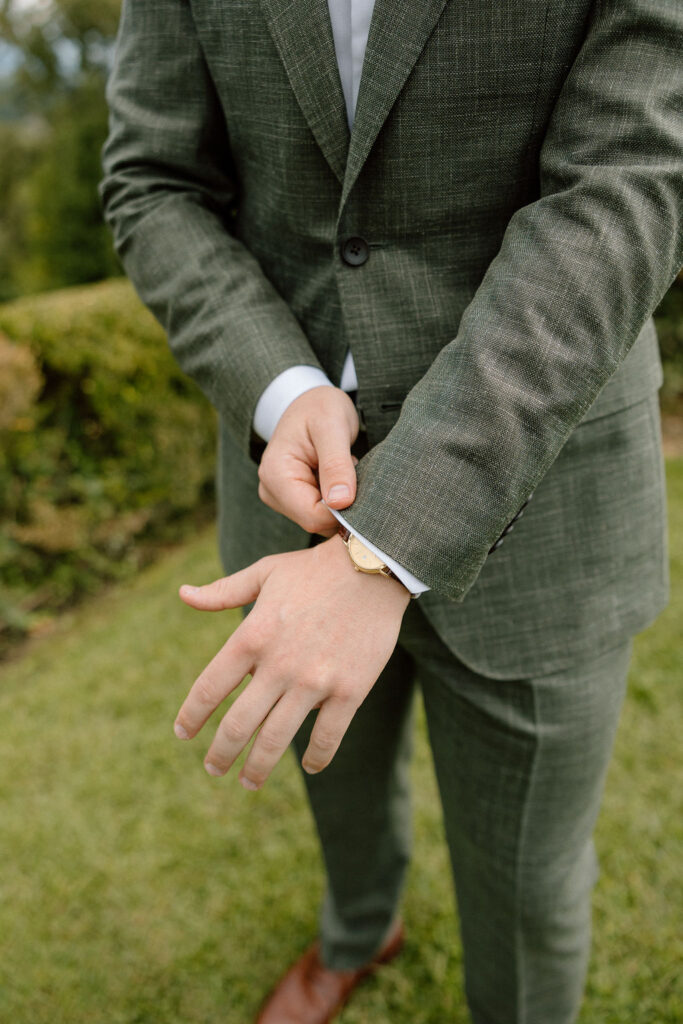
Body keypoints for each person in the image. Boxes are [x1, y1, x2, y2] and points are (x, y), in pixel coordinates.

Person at [100, 1, 682, 1021]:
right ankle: (359, 930)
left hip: (548, 496)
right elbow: (153, 182)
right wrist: (277, 383)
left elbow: (627, 190)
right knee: (337, 782)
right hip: (287, 488)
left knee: (529, 882)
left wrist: (386, 543)